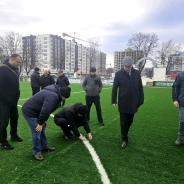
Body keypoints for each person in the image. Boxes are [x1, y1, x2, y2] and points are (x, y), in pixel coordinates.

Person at [22, 85, 71, 161]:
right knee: (37, 131)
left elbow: (47, 109)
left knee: (42, 127)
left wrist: (43, 121)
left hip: (37, 111)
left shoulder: (56, 94)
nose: (65, 99)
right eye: (65, 97)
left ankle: (44, 146)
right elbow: (46, 109)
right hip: (30, 111)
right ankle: (36, 152)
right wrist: (40, 123)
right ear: (63, 95)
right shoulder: (52, 96)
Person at [112, 56, 144, 149]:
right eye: (125, 67)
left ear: (131, 66)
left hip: (134, 101)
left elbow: (140, 87)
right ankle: (124, 138)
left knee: (130, 120)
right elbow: (115, 88)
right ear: (123, 65)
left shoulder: (137, 73)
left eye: (128, 67)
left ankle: (125, 132)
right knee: (123, 121)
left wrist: (141, 99)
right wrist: (113, 100)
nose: (127, 68)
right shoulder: (118, 74)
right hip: (123, 101)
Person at [0, 54, 23, 150]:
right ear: (11, 60)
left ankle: (13, 135)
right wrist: (4, 98)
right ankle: (2, 142)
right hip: (4, 101)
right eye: (17, 62)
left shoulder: (15, 69)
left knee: (14, 118)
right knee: (3, 122)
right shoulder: (2, 69)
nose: (19, 64)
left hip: (13, 100)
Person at [172, 73, 184, 146]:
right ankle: (180, 137)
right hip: (182, 101)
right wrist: (175, 99)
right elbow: (175, 87)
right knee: (182, 120)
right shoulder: (180, 76)